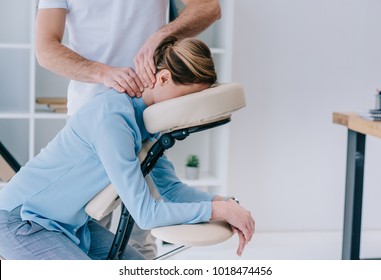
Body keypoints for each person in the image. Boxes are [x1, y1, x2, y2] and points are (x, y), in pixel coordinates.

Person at [0, 37, 255, 260]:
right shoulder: (113, 120)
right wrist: (216, 212)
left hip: (69, 224)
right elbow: (145, 214)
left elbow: (171, 190)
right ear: (164, 78)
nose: (186, 110)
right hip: (21, 220)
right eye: (187, 98)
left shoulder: (149, 124)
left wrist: (222, 203)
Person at [35, 0, 222, 258]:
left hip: (148, 116)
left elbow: (209, 7)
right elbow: (45, 49)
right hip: (93, 121)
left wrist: (162, 34)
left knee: (139, 240)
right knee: (86, 233)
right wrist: (102, 73)